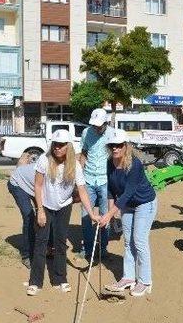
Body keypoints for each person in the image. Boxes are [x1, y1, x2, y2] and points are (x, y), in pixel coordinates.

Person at [27, 129, 99, 296]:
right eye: (55, 145)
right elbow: (37, 186)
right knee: (41, 242)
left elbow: (82, 191)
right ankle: (35, 281)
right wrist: (40, 210)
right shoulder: (44, 161)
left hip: (64, 207)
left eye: (61, 145)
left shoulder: (75, 165)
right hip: (45, 205)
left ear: (68, 147)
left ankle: (60, 279)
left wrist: (92, 213)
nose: (57, 148)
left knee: (60, 243)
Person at [99, 129, 157, 297]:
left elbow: (128, 192)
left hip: (144, 203)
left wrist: (109, 214)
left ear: (125, 146)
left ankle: (145, 281)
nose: (115, 148)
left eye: (118, 145)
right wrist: (110, 212)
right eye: (112, 146)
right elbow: (111, 189)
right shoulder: (110, 162)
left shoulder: (135, 164)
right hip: (126, 206)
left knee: (139, 241)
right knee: (127, 242)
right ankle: (129, 277)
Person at [79, 108, 114, 264]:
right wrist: (79, 176)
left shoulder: (112, 134)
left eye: (99, 125)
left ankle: (103, 247)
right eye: (94, 125)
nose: (96, 128)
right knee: (86, 215)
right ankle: (87, 247)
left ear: (106, 123)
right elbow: (84, 153)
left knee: (105, 215)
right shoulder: (87, 132)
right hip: (88, 179)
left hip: (105, 181)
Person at [7, 153, 38, 269]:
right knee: (29, 216)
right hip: (17, 184)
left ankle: (47, 247)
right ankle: (27, 255)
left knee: (45, 214)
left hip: (32, 184)